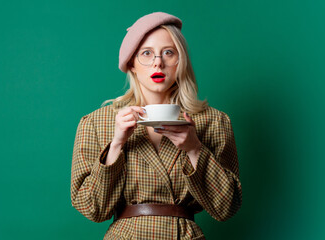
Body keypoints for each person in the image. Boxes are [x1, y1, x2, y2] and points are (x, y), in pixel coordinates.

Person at [71, 12, 242, 239]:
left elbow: (226, 207)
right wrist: (117, 144)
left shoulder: (213, 122)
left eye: (168, 53)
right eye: (146, 53)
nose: (158, 62)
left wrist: (194, 148)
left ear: (180, 61)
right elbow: (91, 208)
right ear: (131, 63)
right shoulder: (96, 122)